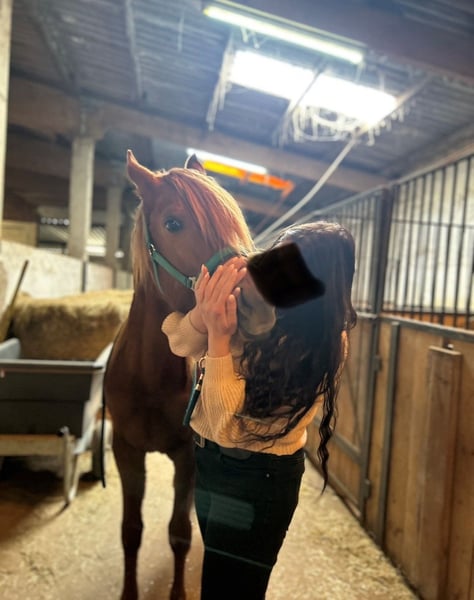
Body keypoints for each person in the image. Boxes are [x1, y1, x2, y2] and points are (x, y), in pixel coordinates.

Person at [162, 221, 357, 599]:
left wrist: (219, 337)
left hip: (257, 479)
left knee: (231, 591)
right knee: (217, 577)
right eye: (274, 255)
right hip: (211, 463)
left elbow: (228, 425)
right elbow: (180, 343)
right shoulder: (259, 307)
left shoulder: (320, 342)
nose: (267, 269)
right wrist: (204, 313)